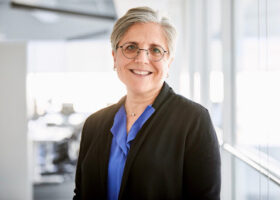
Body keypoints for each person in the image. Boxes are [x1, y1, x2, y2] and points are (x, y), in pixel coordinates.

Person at [73, 6, 221, 200]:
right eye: (131, 47)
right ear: (114, 57)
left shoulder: (193, 120)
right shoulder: (94, 124)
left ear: (169, 62)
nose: (142, 59)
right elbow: (81, 194)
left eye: (155, 50)